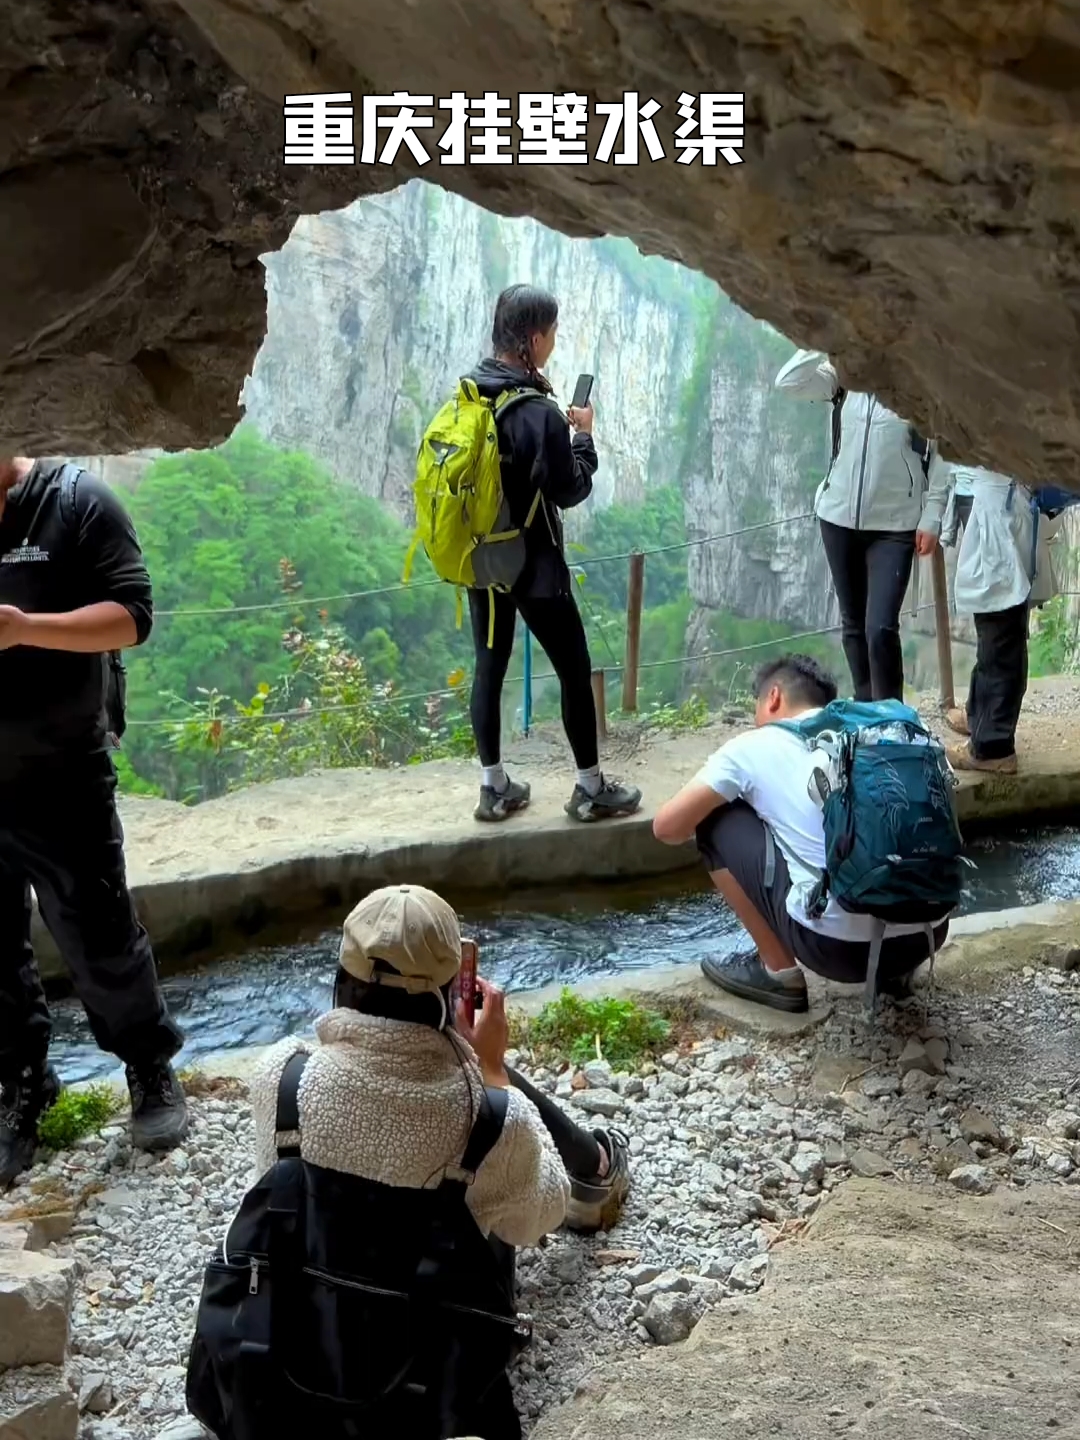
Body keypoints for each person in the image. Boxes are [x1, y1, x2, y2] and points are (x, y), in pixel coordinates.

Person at [248, 884, 631, 1436]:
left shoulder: (283, 1078)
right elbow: (538, 1218)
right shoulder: (491, 1117)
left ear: (341, 980)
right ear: (452, 991)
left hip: (301, 1343)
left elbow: (268, 1183)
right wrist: (494, 1072)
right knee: (494, 1188)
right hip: (428, 1362)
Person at [0, 456, 187, 1184]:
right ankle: (22, 1084)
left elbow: (132, 616)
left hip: (62, 772)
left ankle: (148, 1067)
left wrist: (22, 628)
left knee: (98, 932)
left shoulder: (77, 503)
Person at [652, 655, 949, 1012]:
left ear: (773, 697)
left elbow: (667, 828)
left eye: (756, 709)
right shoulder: (884, 732)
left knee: (714, 819)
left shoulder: (752, 746)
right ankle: (896, 973)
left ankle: (778, 973)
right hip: (928, 935)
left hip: (837, 951)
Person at [463, 284, 640, 825]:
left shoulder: (472, 390)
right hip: (535, 567)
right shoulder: (537, 411)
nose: (554, 342)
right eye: (553, 333)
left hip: (485, 559)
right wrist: (582, 437)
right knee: (573, 667)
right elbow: (570, 488)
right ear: (535, 339)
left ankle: (494, 788)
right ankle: (590, 788)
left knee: (489, 667)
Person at [774, 350, 952, 701]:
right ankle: (865, 707)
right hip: (838, 518)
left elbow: (945, 450)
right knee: (853, 624)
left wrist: (933, 515)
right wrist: (829, 341)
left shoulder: (922, 383)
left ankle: (890, 717)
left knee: (881, 628)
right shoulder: (844, 376)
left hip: (896, 523)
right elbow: (789, 382)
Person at [942, 465, 1064, 774]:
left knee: (1000, 633)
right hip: (1001, 501)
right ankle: (984, 725)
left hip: (1002, 508)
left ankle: (992, 747)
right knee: (998, 631)